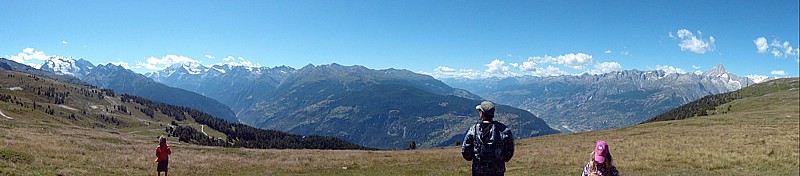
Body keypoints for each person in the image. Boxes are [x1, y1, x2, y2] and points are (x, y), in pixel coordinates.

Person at [461, 101, 514, 176]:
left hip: (478, 173)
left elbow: (466, 154)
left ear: (482, 114)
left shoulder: (473, 130)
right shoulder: (504, 130)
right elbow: (508, 155)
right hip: (497, 173)